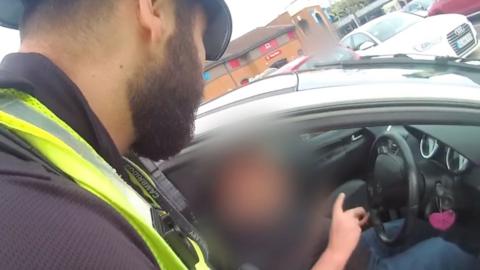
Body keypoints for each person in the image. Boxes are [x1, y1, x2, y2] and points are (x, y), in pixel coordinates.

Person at [0, 0, 231, 269]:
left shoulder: (89, 159)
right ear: (154, 10)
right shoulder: (58, 238)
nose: (202, 61)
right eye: (202, 37)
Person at [197, 140, 479, 270]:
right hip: (355, 261)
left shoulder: (257, 220)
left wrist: (338, 227)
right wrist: (336, 248)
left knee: (437, 222)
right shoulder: (232, 255)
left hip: (363, 246)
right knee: (457, 251)